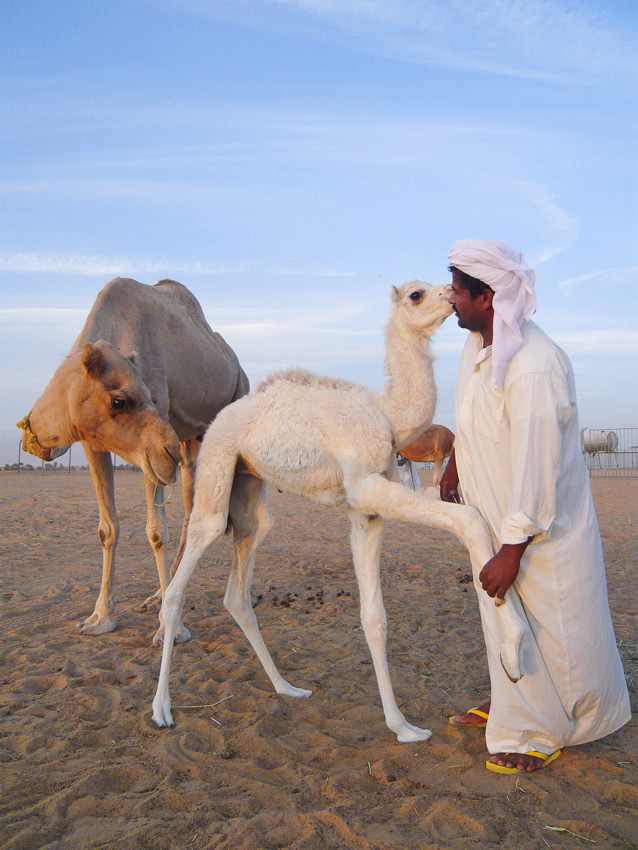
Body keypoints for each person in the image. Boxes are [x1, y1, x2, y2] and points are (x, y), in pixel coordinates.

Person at [440, 239, 631, 774]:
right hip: (497, 520)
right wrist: (456, 462)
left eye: (457, 289)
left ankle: (549, 726)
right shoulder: (479, 346)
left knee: (556, 629)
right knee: (504, 617)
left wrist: (512, 547)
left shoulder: (534, 365)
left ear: (487, 296)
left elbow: (537, 465)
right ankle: (514, 703)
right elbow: (472, 415)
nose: (449, 298)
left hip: (539, 532)